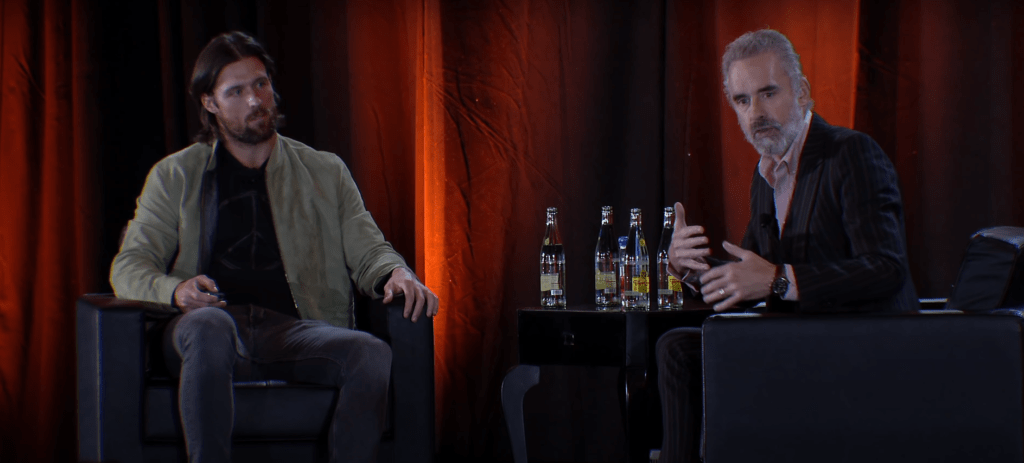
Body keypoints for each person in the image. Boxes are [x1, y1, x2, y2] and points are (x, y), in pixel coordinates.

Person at [110, 31, 439, 463]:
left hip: (292, 330)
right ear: (209, 103)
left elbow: (369, 250)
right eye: (237, 91)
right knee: (208, 326)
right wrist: (175, 291)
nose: (254, 100)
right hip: (208, 328)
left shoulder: (324, 171)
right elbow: (130, 266)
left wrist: (396, 273)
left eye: (261, 84)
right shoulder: (175, 175)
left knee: (371, 353)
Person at [656, 29, 917, 462]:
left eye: (768, 93)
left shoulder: (850, 153)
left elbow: (887, 269)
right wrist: (685, 267)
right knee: (679, 347)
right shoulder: (766, 176)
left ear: (802, 93)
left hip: (860, 347)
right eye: (742, 101)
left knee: (681, 350)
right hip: (798, 344)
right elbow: (746, 281)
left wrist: (780, 281)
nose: (756, 113)